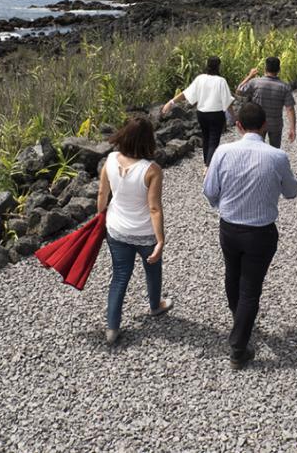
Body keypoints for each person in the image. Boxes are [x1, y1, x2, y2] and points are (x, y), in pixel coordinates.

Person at [202, 102, 297, 369]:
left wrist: (224, 205)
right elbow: (291, 192)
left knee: (232, 275)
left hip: (229, 228)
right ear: (265, 125)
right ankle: (238, 348)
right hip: (261, 233)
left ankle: (239, 319)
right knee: (251, 288)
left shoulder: (223, 152)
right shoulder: (277, 157)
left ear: (239, 126)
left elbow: (209, 190)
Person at [97, 117, 173, 344]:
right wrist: (160, 240)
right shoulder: (152, 170)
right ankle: (155, 306)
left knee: (120, 276)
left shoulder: (110, 160)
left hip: (117, 230)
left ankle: (112, 328)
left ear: (124, 135)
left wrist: (99, 220)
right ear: (149, 141)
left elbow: (102, 195)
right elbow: (154, 208)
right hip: (144, 233)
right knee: (153, 269)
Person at [162, 56, 236, 170]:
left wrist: (171, 102)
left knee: (206, 138)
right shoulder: (221, 81)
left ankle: (206, 162)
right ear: (218, 66)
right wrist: (233, 116)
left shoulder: (200, 78)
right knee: (213, 140)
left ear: (207, 65)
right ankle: (208, 166)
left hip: (202, 114)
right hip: (216, 114)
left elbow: (186, 93)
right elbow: (227, 101)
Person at [236, 56, 296, 148]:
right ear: (279, 69)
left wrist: (250, 75)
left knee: (258, 148)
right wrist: (292, 128)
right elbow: (290, 109)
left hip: (258, 123)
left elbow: (239, 90)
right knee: (275, 149)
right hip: (276, 123)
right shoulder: (284, 87)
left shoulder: (255, 82)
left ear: (265, 68)